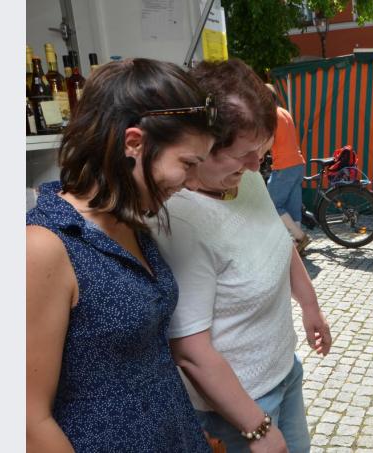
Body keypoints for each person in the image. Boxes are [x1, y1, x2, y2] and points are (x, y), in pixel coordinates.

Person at [26, 58, 219, 452]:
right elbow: (28, 421)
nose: (192, 182)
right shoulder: (43, 246)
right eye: (187, 164)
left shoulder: (130, 221)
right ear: (134, 143)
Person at [151, 58, 332, 453]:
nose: (257, 166)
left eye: (262, 152)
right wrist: (257, 428)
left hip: (283, 372)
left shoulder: (242, 178)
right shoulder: (181, 218)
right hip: (236, 408)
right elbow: (190, 350)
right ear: (202, 147)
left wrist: (310, 304)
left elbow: (278, 242)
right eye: (246, 154)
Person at [265, 84, 311, 253]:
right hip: (298, 164)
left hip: (284, 166)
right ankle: (298, 246)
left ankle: (299, 237)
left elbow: (269, 141)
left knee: (272, 205)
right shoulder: (284, 112)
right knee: (293, 206)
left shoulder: (271, 116)